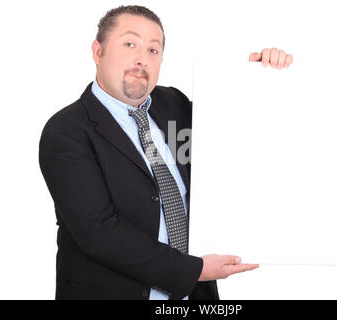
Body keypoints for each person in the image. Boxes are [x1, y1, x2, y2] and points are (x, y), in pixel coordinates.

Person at [39, 5, 293, 300]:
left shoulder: (174, 106)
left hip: (194, 296)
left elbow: (239, 146)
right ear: (98, 52)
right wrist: (193, 270)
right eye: (130, 44)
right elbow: (99, 232)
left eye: (153, 50)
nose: (141, 60)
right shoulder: (68, 130)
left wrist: (255, 79)